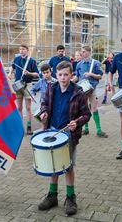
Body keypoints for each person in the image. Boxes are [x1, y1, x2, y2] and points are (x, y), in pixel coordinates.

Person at [38, 61, 91, 216]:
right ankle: (52, 196)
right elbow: (45, 104)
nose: (62, 78)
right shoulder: (51, 88)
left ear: (72, 75)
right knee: (54, 165)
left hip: (69, 134)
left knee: (67, 166)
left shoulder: (78, 92)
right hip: (52, 131)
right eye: (60, 75)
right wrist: (44, 112)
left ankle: (70, 197)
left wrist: (77, 122)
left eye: (66, 74)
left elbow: (86, 114)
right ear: (56, 75)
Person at [74, 46, 108, 138]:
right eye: (82, 52)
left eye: (84, 51)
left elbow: (100, 76)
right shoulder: (79, 64)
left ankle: (99, 130)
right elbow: (77, 77)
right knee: (84, 110)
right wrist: (70, 82)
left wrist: (91, 74)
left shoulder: (95, 63)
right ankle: (86, 129)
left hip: (92, 89)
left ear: (89, 52)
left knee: (94, 109)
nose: (82, 53)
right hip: (82, 90)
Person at [8, 44, 39, 135]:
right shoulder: (17, 59)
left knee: (28, 108)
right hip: (18, 85)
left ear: (27, 50)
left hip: (27, 85)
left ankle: (29, 127)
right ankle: (20, 127)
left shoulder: (31, 61)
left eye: (23, 49)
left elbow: (37, 74)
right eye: (20, 49)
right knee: (19, 107)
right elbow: (12, 67)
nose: (21, 51)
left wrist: (29, 73)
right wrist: (10, 73)